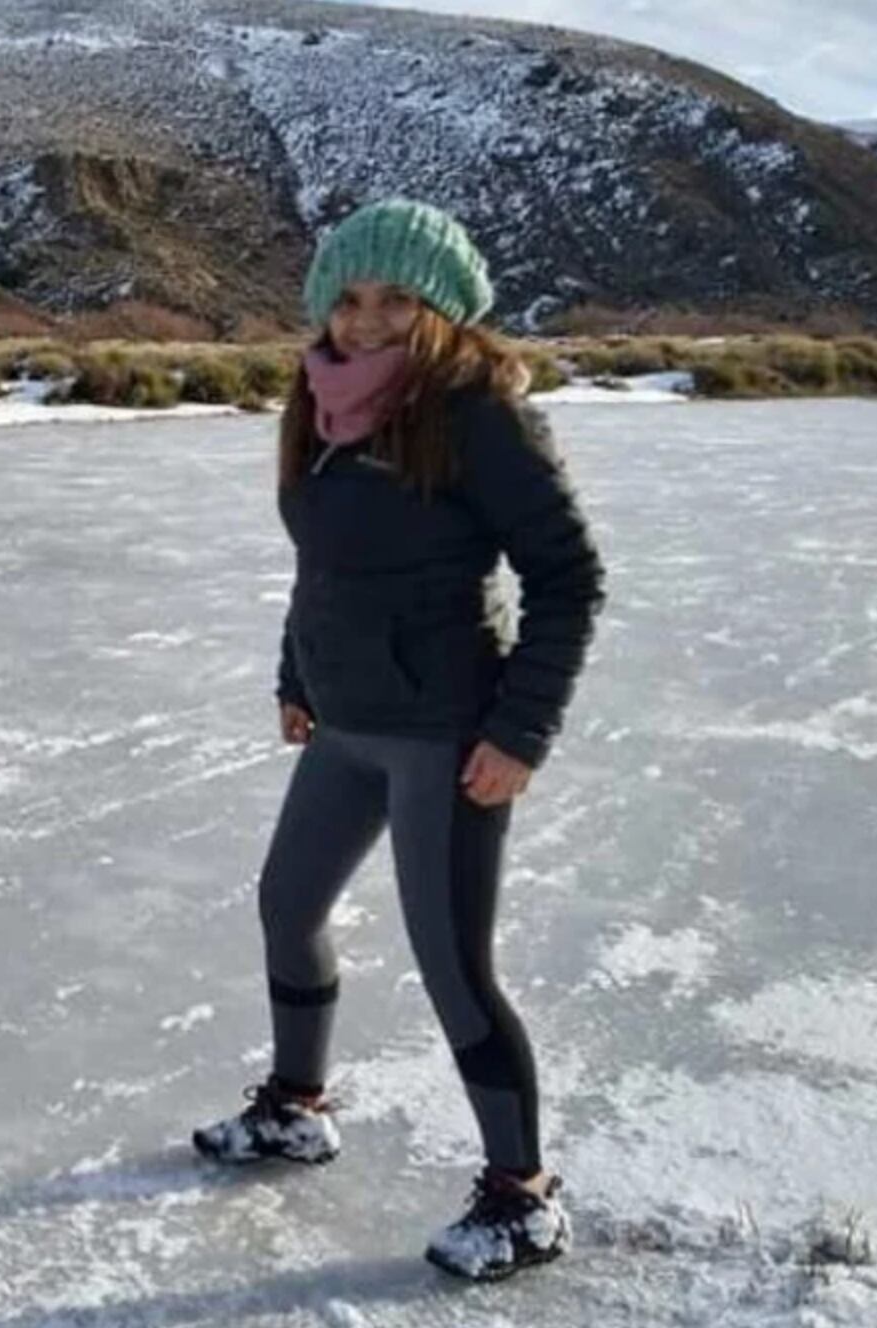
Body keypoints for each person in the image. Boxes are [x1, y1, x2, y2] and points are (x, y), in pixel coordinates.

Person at [188, 198, 607, 1283]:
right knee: (287, 904)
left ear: (444, 311)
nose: (367, 321)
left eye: (397, 300)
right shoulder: (321, 407)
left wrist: (520, 728)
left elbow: (568, 577)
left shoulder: (477, 413)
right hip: (347, 718)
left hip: (447, 733)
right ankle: (296, 1105)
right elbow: (321, 564)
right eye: (351, 297)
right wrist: (297, 675)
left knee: (454, 964)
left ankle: (524, 1197)